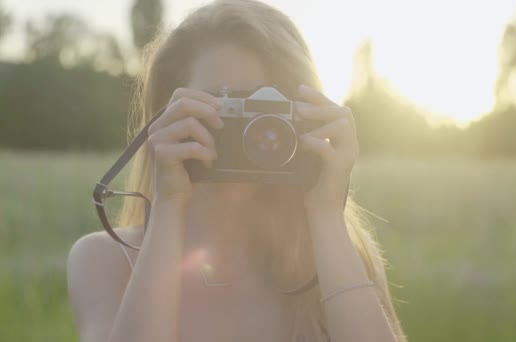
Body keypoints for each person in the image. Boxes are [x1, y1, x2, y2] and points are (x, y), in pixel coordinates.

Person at [66, 0, 406, 341]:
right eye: (226, 107)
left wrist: (325, 213)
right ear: (166, 117)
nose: (255, 134)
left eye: (271, 113)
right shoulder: (105, 260)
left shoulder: (336, 260)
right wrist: (170, 203)